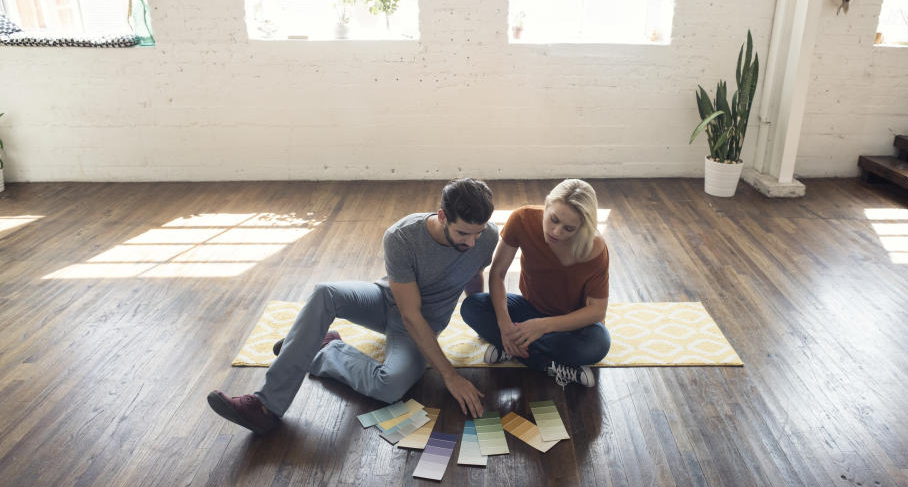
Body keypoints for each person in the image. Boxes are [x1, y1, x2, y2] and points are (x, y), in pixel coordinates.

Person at [208, 178, 499, 435]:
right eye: (463, 234)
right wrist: (450, 375)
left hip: (422, 323)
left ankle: (324, 348)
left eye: (478, 233)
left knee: (389, 387)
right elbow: (408, 313)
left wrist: (482, 319)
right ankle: (265, 406)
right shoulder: (402, 237)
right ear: (442, 216)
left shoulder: (486, 238)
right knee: (326, 293)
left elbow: (474, 273)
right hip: (388, 302)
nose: (473, 242)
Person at [461, 179, 610, 388]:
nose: (557, 232)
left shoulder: (595, 248)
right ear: (547, 205)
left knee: (599, 344)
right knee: (472, 306)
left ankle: (513, 350)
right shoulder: (522, 219)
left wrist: (543, 326)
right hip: (530, 310)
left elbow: (597, 311)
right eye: (554, 220)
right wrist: (504, 325)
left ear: (583, 227)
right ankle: (549, 364)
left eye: (569, 229)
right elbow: (497, 274)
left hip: (570, 325)